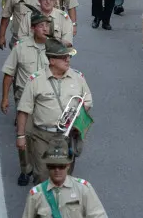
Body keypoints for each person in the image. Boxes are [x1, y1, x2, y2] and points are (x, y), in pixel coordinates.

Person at [16, 38, 92, 185]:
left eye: (68, 56)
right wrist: (20, 136)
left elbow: (87, 101)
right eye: (63, 57)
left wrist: (77, 119)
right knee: (42, 177)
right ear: (51, 60)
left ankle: (58, 206)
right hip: (43, 137)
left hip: (67, 136)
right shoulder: (35, 80)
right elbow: (23, 110)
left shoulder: (78, 77)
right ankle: (43, 206)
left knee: (64, 179)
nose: (68, 59)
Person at [1, 10, 51, 185]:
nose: (45, 29)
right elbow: (9, 73)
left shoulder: (54, 48)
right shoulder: (21, 47)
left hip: (46, 100)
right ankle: (25, 168)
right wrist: (5, 98)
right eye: (41, 26)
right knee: (24, 137)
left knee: (42, 137)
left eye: (47, 25)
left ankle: (41, 169)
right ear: (32, 28)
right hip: (24, 100)